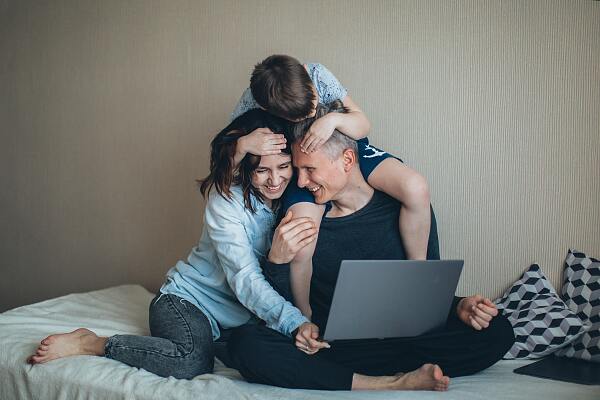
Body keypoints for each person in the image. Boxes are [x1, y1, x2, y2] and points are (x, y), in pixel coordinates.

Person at [226, 103, 516, 391]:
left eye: (311, 170)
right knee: (246, 345)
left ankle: (351, 376)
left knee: (498, 330)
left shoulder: (404, 209)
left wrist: (459, 307)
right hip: (335, 346)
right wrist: (277, 262)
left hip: (403, 341)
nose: (301, 181)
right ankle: (393, 382)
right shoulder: (302, 219)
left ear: (348, 160)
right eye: (299, 170)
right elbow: (284, 309)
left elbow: (421, 293)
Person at [26, 110, 318, 379]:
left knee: (268, 355)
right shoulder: (226, 201)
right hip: (186, 302)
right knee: (191, 361)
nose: (275, 180)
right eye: (262, 171)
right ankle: (92, 342)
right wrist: (294, 321)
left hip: (237, 322)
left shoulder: (294, 199)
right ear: (246, 169)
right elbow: (245, 279)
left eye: (283, 167)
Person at [232, 54, 432, 319]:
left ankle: (418, 273)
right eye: (298, 116)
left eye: (312, 105)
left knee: (415, 187)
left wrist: (333, 121)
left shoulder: (318, 73)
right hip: (301, 161)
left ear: (307, 76)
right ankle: (304, 316)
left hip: (346, 146)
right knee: (303, 242)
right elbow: (226, 157)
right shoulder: (251, 102)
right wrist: (243, 145)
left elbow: (362, 123)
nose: (310, 115)